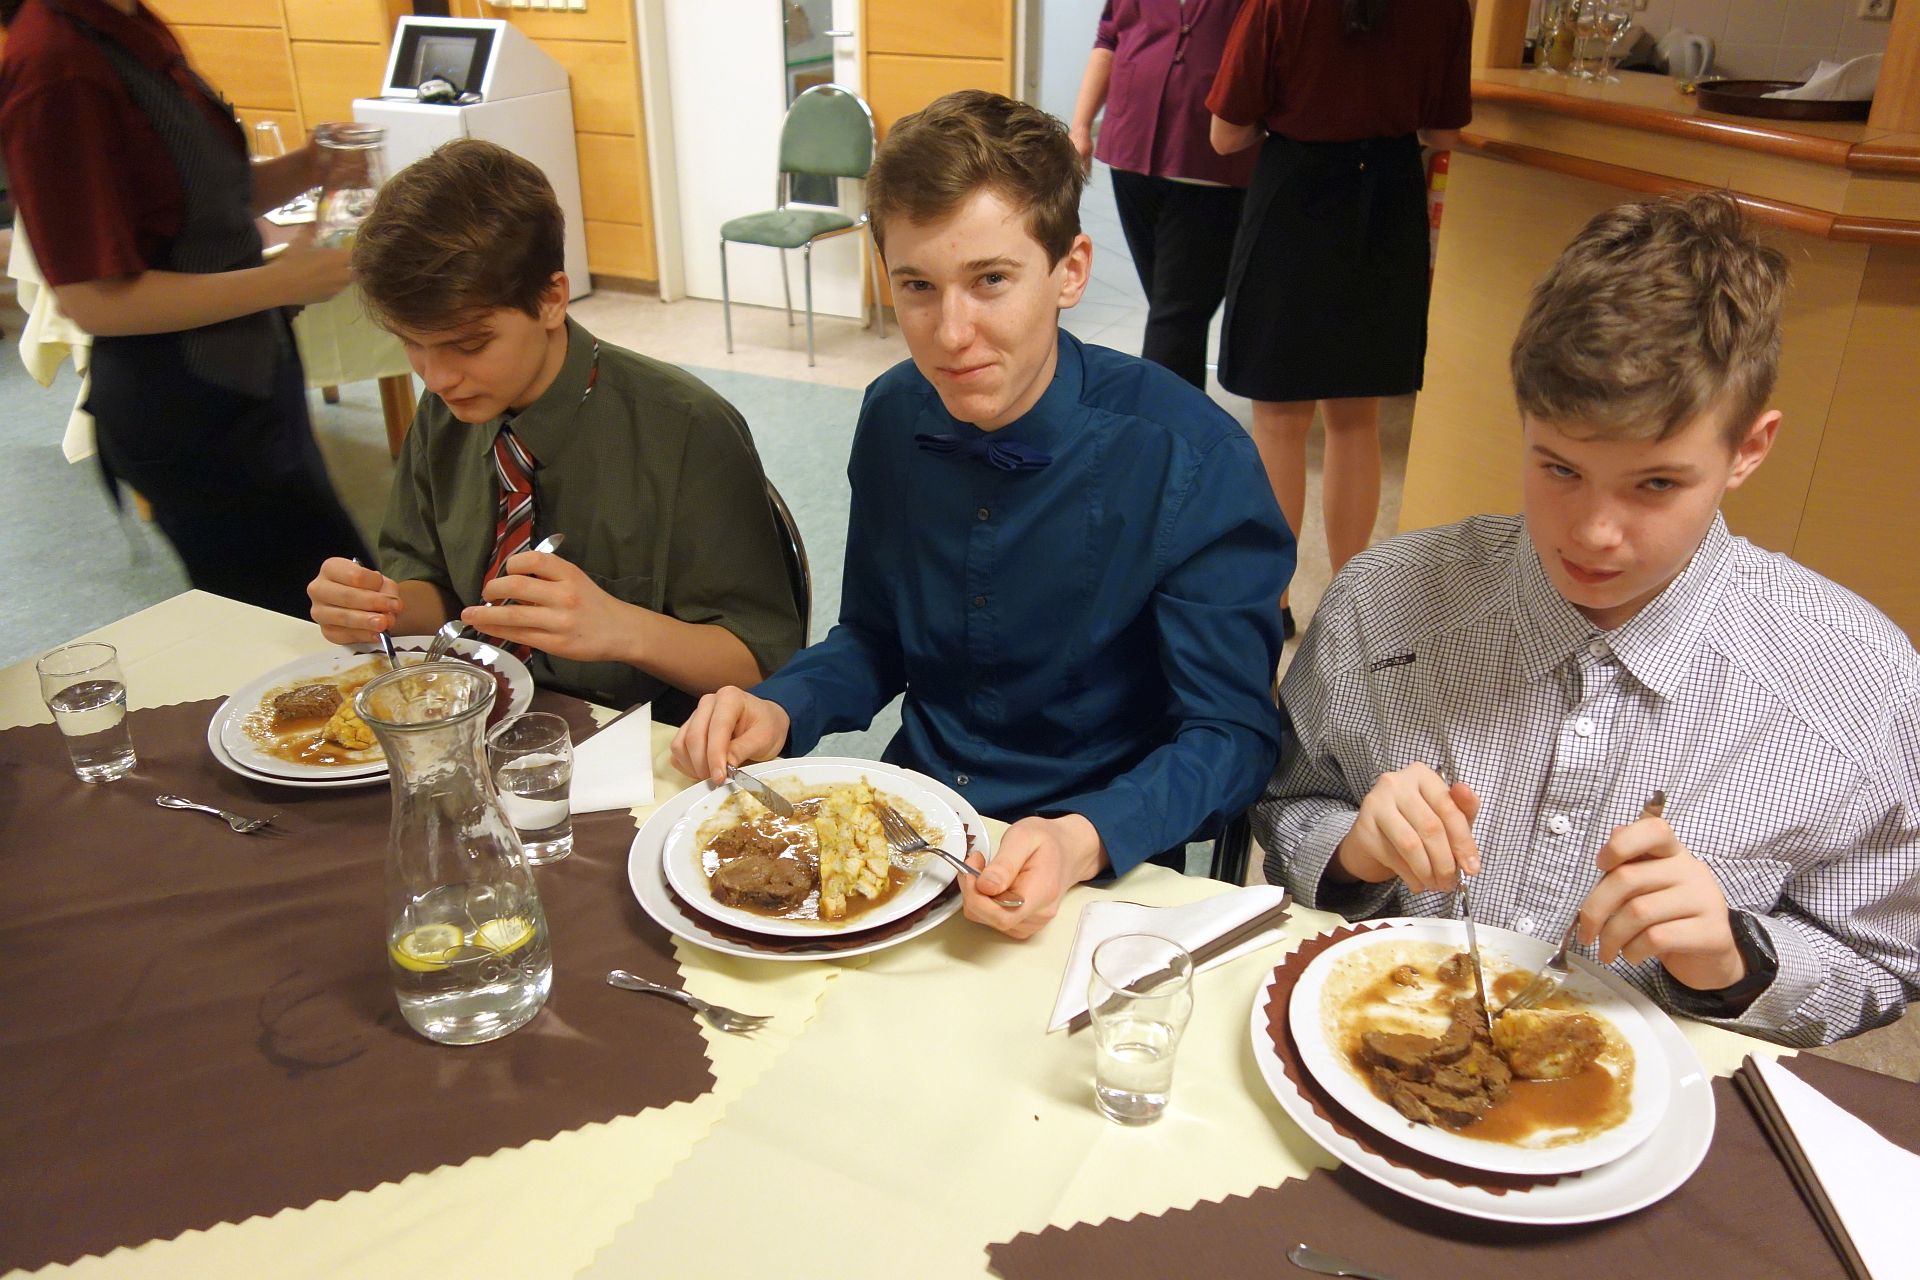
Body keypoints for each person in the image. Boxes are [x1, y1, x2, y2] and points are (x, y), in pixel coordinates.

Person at [1255, 193, 1920, 1046]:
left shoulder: (1862, 687)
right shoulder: (1381, 604)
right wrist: (1351, 851)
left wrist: (1736, 959)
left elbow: (1883, 961)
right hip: (1385, 1045)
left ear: (1749, 449)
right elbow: (1285, 806)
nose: (1596, 533)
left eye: (1656, 484)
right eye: (1561, 469)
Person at [673, 90, 1294, 939]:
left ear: (1070, 270)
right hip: (917, 830)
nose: (950, 333)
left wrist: (1084, 837)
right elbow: (876, 637)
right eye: (917, 287)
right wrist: (782, 706)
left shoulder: (1193, 460)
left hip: (1096, 857)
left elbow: (1232, 736)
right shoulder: (893, 413)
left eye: (991, 281)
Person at [304, 139, 803, 720]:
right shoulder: (446, 410)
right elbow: (440, 592)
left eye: (470, 344)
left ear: (551, 299)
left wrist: (622, 628)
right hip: (477, 713)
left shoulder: (687, 430)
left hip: (643, 733)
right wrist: (377, 607)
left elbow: (765, 665)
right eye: (412, 343)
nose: (437, 377)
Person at [0, 0, 374, 617]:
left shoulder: (126, 25)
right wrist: (279, 282)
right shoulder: (54, 65)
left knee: (339, 598)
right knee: (313, 615)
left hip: (246, 380)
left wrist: (308, 167)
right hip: (187, 406)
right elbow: (92, 301)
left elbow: (197, 203)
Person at [1207, 0, 1471, 637]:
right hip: (1386, 203)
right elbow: (1445, 134)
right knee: (1357, 420)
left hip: (1294, 199)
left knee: (1279, 422)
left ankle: (1274, 603)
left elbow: (1226, 135)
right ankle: (1351, 603)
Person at [1067, 0, 1255, 390]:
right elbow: (1109, 38)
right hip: (1131, 152)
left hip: (1209, 166)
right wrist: (1081, 126)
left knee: (1176, 314)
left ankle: (1155, 416)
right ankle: (1184, 414)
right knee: (1173, 311)